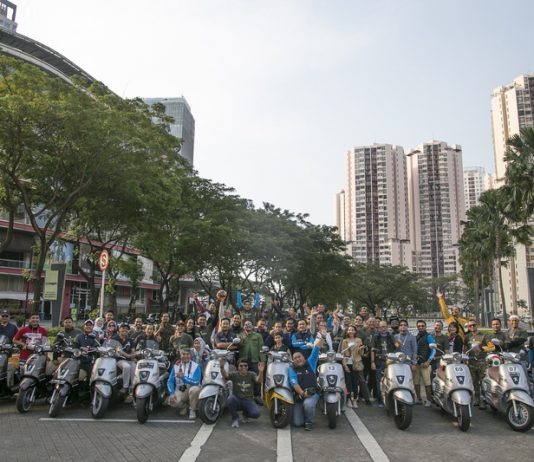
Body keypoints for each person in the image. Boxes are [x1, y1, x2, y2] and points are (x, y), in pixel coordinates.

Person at [289, 337, 322, 430]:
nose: (297, 359)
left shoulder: (310, 362)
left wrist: (323, 337)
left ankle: (309, 422)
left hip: (312, 393)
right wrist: (303, 394)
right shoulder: (291, 369)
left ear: (303, 357)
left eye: (299, 357)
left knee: (308, 404)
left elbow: (316, 348)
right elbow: (294, 384)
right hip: (300, 396)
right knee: (297, 423)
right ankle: (305, 412)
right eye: (295, 358)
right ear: (293, 361)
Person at [221, 358, 265, 428]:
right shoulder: (234, 374)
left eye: (245, 365)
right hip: (237, 399)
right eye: (241, 366)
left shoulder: (251, 374)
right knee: (230, 399)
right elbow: (225, 375)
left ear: (248, 367)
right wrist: (222, 367)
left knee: (256, 414)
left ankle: (246, 414)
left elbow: (259, 381)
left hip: (248, 400)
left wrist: (261, 372)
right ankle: (235, 418)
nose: (243, 367)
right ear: (237, 367)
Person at [464, 320, 492, 409]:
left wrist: (481, 348)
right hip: (471, 362)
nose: (472, 327)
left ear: (477, 325)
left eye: (474, 325)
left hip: (482, 361)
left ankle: (483, 400)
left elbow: (491, 347)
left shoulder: (484, 335)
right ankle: (476, 399)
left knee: (483, 382)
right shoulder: (467, 336)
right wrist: (465, 359)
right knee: (474, 382)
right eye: (470, 326)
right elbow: (465, 348)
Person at [168, 348, 202, 419]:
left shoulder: (196, 366)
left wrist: (183, 377)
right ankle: (184, 406)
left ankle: (192, 409)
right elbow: (170, 381)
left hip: (192, 388)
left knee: (194, 390)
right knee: (171, 401)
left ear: (190, 355)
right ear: (180, 355)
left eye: (188, 354)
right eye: (183, 354)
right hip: (181, 389)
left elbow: (196, 381)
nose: (186, 356)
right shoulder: (176, 366)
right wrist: (171, 393)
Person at [341, 326, 371, 408]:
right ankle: (348, 399)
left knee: (355, 383)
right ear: (347, 331)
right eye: (349, 330)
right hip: (347, 363)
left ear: (355, 331)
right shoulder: (344, 341)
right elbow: (343, 354)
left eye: (352, 330)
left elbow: (361, 354)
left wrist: (361, 349)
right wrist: (344, 365)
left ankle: (355, 399)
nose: (351, 331)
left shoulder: (358, 340)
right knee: (348, 383)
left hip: (357, 363)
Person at [371, 320, 396, 407]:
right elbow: (372, 350)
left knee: (391, 380)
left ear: (387, 327)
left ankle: (392, 399)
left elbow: (396, 346)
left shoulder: (391, 336)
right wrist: (372, 362)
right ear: (378, 328)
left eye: (384, 326)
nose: (383, 328)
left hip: (390, 361)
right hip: (379, 361)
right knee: (379, 381)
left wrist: (397, 343)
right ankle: (380, 400)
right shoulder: (376, 337)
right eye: (381, 327)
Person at [413, 320, 435, 407]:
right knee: (416, 382)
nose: (421, 327)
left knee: (427, 383)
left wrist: (428, 361)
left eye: (422, 326)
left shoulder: (429, 336)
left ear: (425, 327)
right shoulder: (416, 337)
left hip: (425, 363)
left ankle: (429, 400)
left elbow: (433, 350)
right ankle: (419, 399)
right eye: (419, 326)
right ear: (417, 327)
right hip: (417, 363)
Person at [115, 323, 136, 403]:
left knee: (134, 367)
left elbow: (133, 350)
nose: (125, 330)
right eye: (123, 328)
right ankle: (125, 387)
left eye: (126, 328)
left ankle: (133, 388)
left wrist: (133, 357)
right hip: (119, 359)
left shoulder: (130, 339)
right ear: (119, 329)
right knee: (127, 367)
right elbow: (119, 350)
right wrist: (128, 356)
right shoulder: (115, 338)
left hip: (129, 360)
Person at [0, 310, 18, 390]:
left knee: (11, 369)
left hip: (10, 353)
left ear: (9, 317)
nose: (4, 317)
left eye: (6, 316)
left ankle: (10, 386)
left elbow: (17, 338)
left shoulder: (13, 327)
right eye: (3, 316)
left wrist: (16, 345)